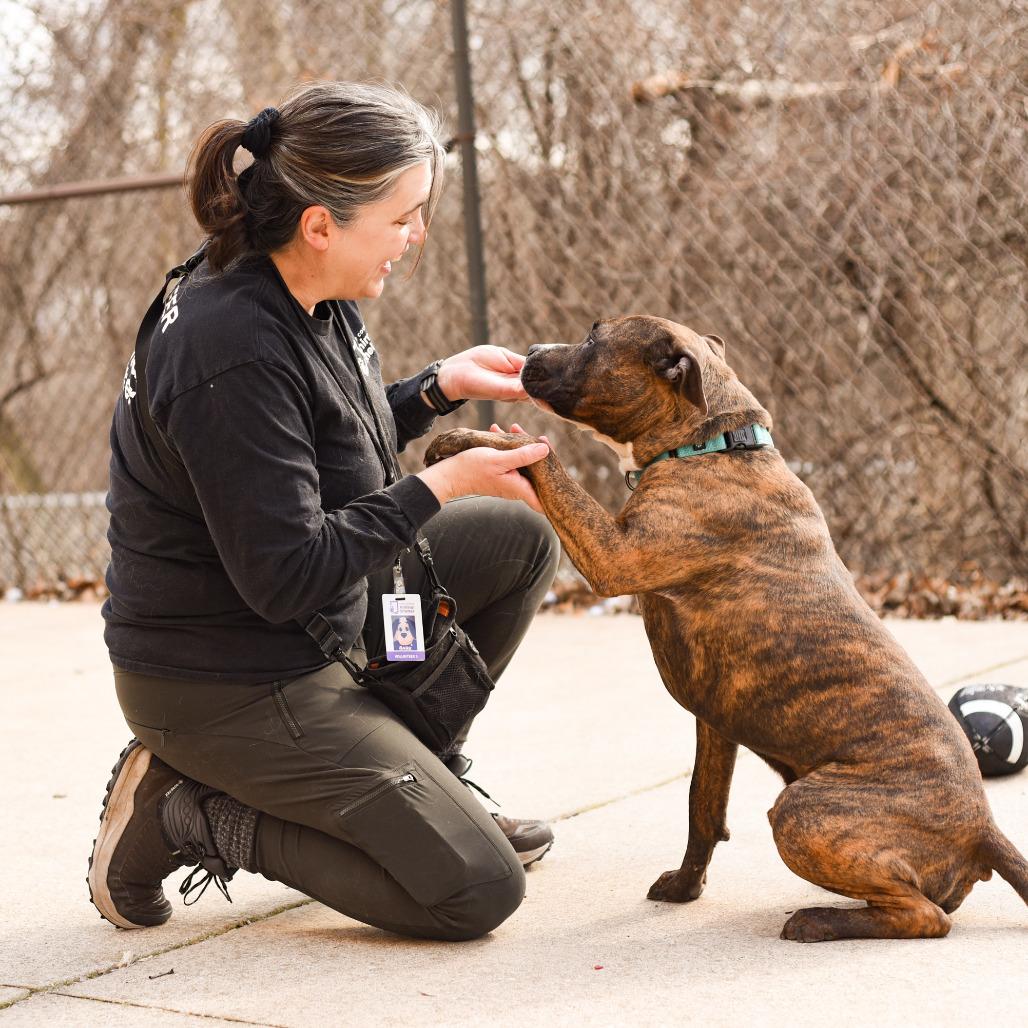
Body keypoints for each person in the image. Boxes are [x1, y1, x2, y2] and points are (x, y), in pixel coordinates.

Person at [87, 81, 561, 942]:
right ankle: (190, 811)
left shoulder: (305, 288)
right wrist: (444, 485)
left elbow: (319, 445)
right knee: (474, 892)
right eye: (404, 216)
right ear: (320, 224)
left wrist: (436, 388)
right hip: (226, 678)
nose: (417, 236)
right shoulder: (228, 345)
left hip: (302, 623)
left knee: (515, 540)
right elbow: (286, 575)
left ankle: (424, 779)